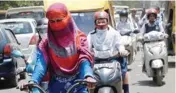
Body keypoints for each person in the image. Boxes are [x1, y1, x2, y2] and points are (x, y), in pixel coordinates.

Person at [19, 3, 96, 93]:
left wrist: (88, 76)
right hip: (56, 86)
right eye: (52, 21)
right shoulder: (46, 43)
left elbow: (84, 60)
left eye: (59, 20)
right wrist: (33, 81)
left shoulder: (80, 39)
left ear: (67, 18)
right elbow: (41, 64)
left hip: (78, 85)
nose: (56, 24)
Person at [87, 11, 130, 93]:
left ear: (107, 21)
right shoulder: (91, 34)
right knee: (86, 74)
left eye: (103, 21)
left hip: (113, 59)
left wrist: (122, 50)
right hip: (96, 61)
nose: (101, 23)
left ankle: (126, 91)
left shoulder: (114, 33)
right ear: (95, 22)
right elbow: (87, 47)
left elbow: (119, 44)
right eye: (98, 21)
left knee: (124, 71)